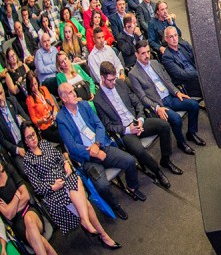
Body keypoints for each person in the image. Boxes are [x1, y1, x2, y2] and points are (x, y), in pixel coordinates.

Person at [20, 122, 121, 249]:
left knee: (75, 179)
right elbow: (37, 187)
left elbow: (60, 158)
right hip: (54, 192)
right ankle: (103, 235)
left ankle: (89, 224)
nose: (33, 138)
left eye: (33, 134)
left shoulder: (44, 144)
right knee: (87, 205)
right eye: (29, 137)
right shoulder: (28, 161)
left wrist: (66, 163)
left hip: (66, 179)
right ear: (25, 141)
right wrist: (53, 186)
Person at [56, 82, 144, 221]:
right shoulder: (61, 119)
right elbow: (71, 146)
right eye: (71, 92)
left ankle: (132, 187)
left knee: (130, 161)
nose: (75, 94)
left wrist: (97, 145)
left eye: (74, 91)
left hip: (101, 146)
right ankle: (115, 205)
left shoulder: (84, 105)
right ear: (64, 98)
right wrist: (92, 152)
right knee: (102, 186)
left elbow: (99, 126)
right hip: (87, 158)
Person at [94, 61, 182, 189]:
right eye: (110, 80)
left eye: (115, 79)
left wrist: (140, 118)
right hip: (125, 131)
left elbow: (137, 102)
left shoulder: (120, 84)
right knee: (139, 150)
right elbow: (108, 125)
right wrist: (128, 130)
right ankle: (157, 171)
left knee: (164, 126)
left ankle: (165, 160)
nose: (114, 83)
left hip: (137, 121)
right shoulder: (98, 100)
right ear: (102, 78)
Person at [128, 41, 205, 151]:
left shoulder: (155, 63)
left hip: (170, 97)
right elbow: (142, 97)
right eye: (143, 53)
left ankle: (191, 133)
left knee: (194, 105)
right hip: (159, 104)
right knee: (176, 119)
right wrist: (157, 108)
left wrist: (177, 92)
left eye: (148, 52)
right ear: (136, 55)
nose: (147, 56)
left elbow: (167, 81)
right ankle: (181, 142)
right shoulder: (133, 74)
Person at [0, 159, 58, 255]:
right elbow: (8, 215)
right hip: (18, 224)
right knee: (42, 243)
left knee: (29, 219)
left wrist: (11, 207)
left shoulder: (9, 169)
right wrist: (17, 196)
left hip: (30, 210)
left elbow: (26, 196)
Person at [161, 27, 202, 98]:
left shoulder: (184, 45)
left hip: (197, 74)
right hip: (188, 82)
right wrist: (199, 73)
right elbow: (181, 74)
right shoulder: (166, 57)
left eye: (175, 35)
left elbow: (197, 57)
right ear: (166, 39)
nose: (174, 39)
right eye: (171, 37)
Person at [25, 73, 61, 145]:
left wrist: (54, 113)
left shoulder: (44, 89)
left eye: (35, 84)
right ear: (29, 87)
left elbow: (52, 104)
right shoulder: (29, 99)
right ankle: (65, 152)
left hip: (54, 120)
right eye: (32, 85)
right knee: (61, 134)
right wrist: (42, 120)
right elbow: (34, 120)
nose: (35, 87)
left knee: (66, 128)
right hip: (45, 127)